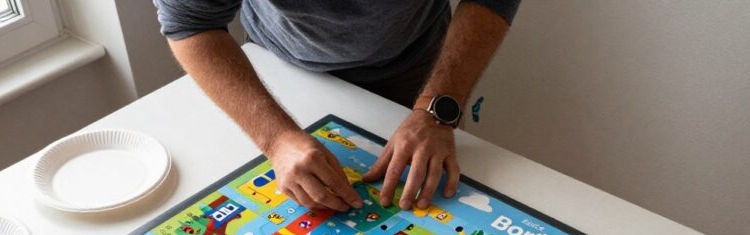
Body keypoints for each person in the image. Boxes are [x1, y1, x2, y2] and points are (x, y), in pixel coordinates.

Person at [154, 0, 520, 211]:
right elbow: (190, 22)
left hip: (420, 67)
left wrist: (438, 108)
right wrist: (276, 139)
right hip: (277, 70)